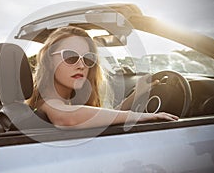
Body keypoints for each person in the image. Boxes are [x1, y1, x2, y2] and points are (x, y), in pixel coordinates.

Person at [27, 26, 178, 129]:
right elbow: (67, 118)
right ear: (49, 61)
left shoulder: (66, 101)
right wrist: (139, 116)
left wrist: (136, 94)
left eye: (88, 59)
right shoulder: (47, 102)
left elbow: (102, 117)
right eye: (71, 56)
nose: (81, 65)